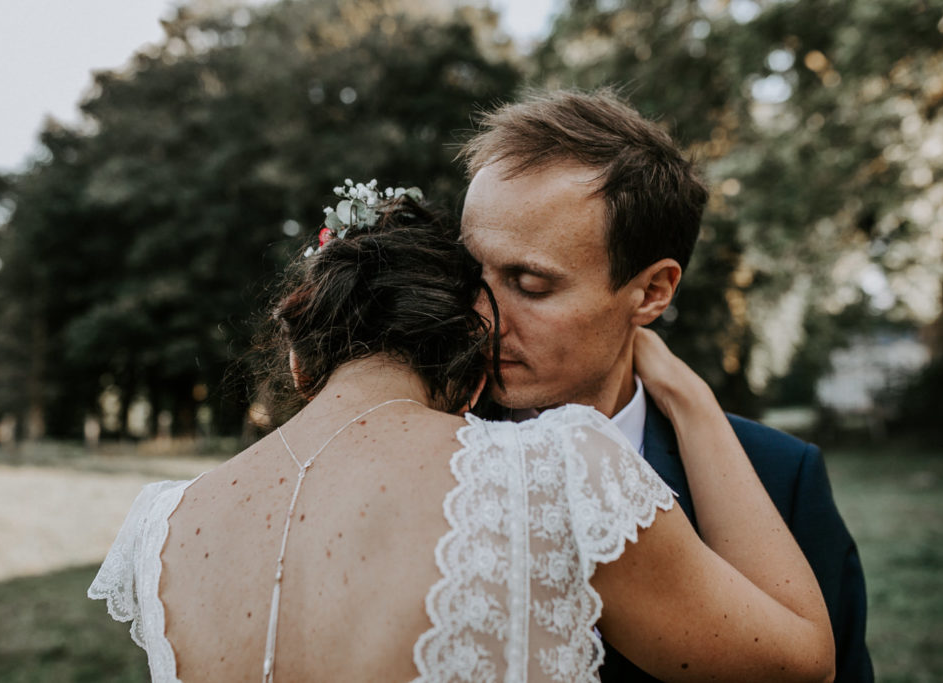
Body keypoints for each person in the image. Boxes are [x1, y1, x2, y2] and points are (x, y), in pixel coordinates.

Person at [90, 182, 834, 682]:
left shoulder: (161, 523)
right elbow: (804, 657)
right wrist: (688, 394)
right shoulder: (555, 466)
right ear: (475, 363)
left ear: (297, 354)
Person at [458, 88, 872, 682]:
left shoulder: (782, 476)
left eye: (530, 283)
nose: (482, 314)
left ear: (652, 292)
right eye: (473, 271)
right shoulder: (425, 448)